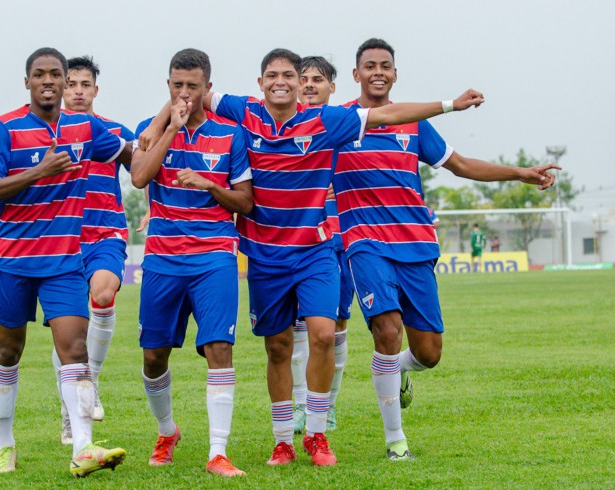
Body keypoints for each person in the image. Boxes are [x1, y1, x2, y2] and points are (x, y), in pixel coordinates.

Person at [189, 48, 484, 467]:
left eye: (291, 75)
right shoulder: (245, 112)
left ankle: (317, 432)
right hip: (266, 252)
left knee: (327, 333)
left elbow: (389, 117)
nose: (285, 82)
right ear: (260, 82)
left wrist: (450, 104)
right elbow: (193, 93)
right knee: (278, 347)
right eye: (274, 74)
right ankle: (283, 440)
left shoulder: (326, 121)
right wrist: (157, 131)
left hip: (321, 249)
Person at [332, 38, 560, 461]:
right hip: (363, 243)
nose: (377, 72)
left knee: (429, 354)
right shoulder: (340, 122)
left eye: (385, 65)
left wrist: (519, 173)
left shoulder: (415, 125)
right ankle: (396, 442)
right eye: (369, 66)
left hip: (416, 245)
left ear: (395, 74)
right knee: (386, 329)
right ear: (356, 74)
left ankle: (398, 369)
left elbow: (461, 165)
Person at [0, 47, 133, 477]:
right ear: (26, 82)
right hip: (12, 261)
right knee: (8, 352)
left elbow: (131, 155)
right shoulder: (4, 127)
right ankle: (5, 444)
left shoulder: (84, 127)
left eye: (56, 75)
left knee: (75, 350)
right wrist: (39, 171)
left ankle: (82, 446)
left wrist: (172, 132)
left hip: (64, 260)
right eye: (39, 74)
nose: (48, 81)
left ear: (66, 82)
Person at [131, 49, 253, 477]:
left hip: (215, 255)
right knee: (153, 356)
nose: (185, 93)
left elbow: (246, 202)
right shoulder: (150, 132)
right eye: (177, 85)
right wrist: (168, 130)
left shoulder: (230, 135)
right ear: (168, 86)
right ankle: (167, 431)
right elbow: (140, 176)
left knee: (219, 348)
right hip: (163, 258)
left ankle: (218, 453)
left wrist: (208, 185)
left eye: (193, 86)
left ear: (207, 88)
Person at [52, 55, 135, 446]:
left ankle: (91, 380)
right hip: (62, 238)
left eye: (85, 84)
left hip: (105, 233)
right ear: (60, 88)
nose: (78, 91)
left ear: (95, 90)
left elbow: (144, 166)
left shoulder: (112, 131)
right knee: (67, 327)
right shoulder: (46, 134)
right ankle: (71, 411)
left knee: (103, 296)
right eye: (72, 84)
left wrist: (156, 204)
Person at [291, 56, 350, 434]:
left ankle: (326, 406)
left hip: (341, 238)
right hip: (296, 240)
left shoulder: (344, 124)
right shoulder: (281, 126)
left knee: (336, 326)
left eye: (318, 79)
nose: (310, 84)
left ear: (332, 87)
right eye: (304, 79)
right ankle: (300, 405)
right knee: (297, 327)